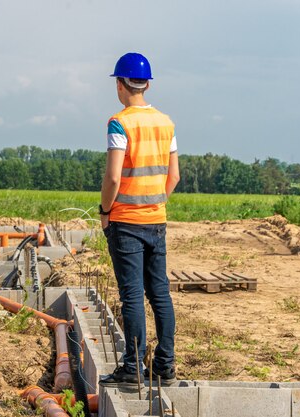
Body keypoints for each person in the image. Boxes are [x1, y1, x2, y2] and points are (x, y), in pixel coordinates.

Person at [98, 52, 180, 386]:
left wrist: (105, 212)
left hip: (126, 222)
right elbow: (173, 177)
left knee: (131, 295)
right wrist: (155, 203)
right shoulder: (166, 122)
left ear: (120, 84)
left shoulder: (120, 122)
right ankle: (165, 364)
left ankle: (132, 367)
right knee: (159, 293)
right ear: (146, 84)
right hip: (156, 219)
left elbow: (113, 177)